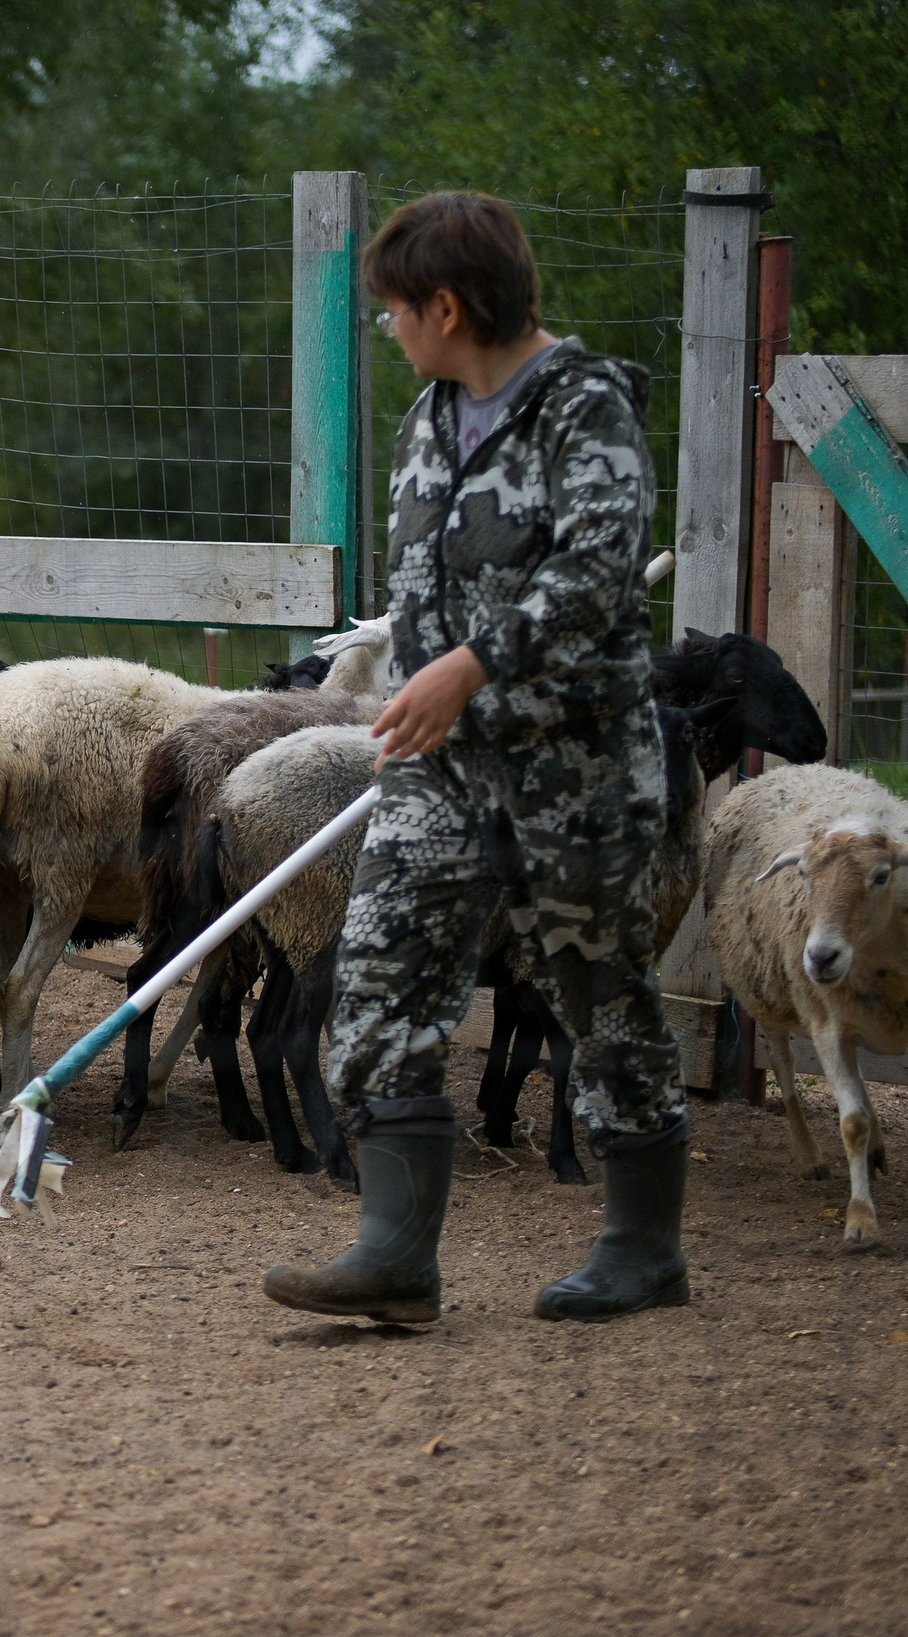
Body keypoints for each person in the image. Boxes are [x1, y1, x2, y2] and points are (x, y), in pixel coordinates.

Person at [262, 190, 691, 1326]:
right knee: (376, 986)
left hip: (576, 774)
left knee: (602, 1003)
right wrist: (419, 681)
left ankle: (643, 1249)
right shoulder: (425, 417)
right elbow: (423, 582)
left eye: (394, 311)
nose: (388, 331)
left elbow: (601, 571)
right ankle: (394, 1255)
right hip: (437, 771)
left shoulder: (582, 408)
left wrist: (472, 664)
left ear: (446, 306)